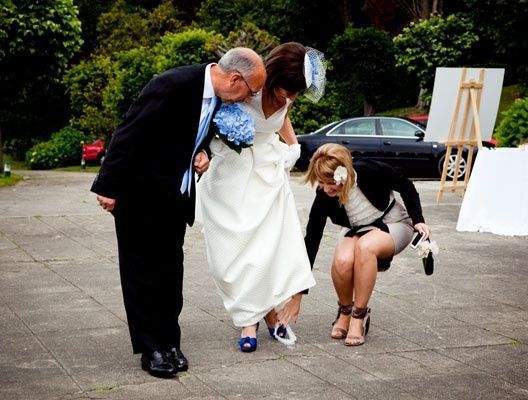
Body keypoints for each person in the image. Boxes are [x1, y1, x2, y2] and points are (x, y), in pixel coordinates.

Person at [92, 48, 267, 377]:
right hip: (140, 194)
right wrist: (108, 186)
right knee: (142, 274)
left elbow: (185, 134)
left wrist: (202, 152)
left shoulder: (219, 97)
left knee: (170, 273)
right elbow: (130, 131)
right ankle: (151, 349)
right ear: (234, 78)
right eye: (251, 91)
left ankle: (170, 342)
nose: (248, 99)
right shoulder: (172, 84)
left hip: (175, 197)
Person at [197, 42, 326, 352]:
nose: (290, 98)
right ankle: (262, 314)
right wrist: (203, 153)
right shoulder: (248, 88)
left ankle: (248, 321)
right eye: (287, 91)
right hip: (231, 172)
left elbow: (281, 119)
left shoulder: (287, 96)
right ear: (273, 76)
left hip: (268, 172)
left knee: (268, 246)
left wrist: (293, 146)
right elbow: (210, 121)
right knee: (235, 252)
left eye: (296, 93)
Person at [303, 143, 432, 346]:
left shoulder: (370, 170)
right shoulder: (324, 196)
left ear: (344, 173)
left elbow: (405, 184)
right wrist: (299, 291)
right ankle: (345, 311)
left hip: (393, 222)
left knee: (365, 247)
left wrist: (418, 219)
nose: (326, 188)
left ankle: (359, 316)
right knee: (343, 260)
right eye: (321, 182)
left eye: (330, 182)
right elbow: (312, 238)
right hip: (357, 229)